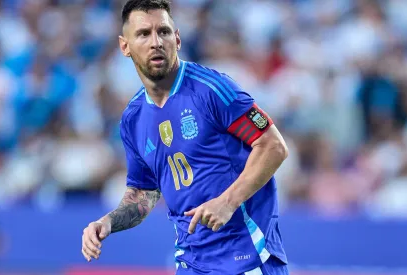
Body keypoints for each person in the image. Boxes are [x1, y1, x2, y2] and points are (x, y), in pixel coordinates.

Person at [81, 1, 290, 274]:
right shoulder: (133, 119)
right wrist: (108, 222)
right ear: (125, 46)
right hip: (191, 261)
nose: (156, 42)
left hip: (247, 255)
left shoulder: (212, 89)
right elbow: (144, 192)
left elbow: (273, 145)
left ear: (177, 38)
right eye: (144, 34)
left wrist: (228, 202)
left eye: (164, 32)